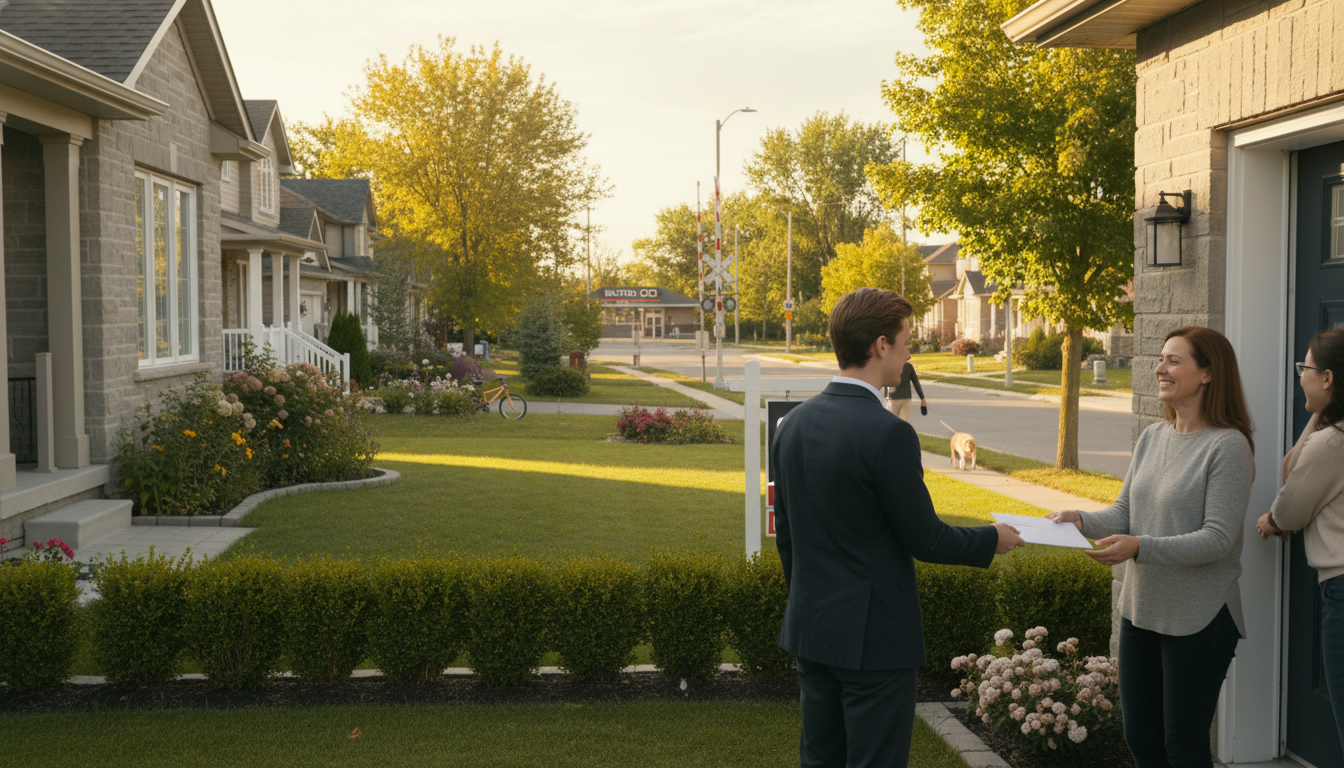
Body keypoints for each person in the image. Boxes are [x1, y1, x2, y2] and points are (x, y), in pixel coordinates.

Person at [772, 287, 1025, 768]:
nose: (910, 352)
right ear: (880, 346)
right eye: (906, 340)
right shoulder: (889, 433)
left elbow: (788, 535)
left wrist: (809, 599)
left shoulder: (793, 424)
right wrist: (992, 538)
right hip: (875, 640)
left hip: (810, 627)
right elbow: (925, 538)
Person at [1047, 326, 1255, 768]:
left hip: (1200, 617)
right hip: (1141, 610)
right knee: (1141, 739)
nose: (1160, 368)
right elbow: (1125, 511)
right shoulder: (1152, 438)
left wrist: (1140, 546)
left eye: (1174, 361)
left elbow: (1217, 539)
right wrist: (1080, 519)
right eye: (1161, 359)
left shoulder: (1228, 447)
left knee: (1183, 747)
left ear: (1208, 374)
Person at [1256, 328, 1344, 743]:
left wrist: (1272, 521)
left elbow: (1290, 499)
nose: (1300, 377)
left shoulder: (1332, 443)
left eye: (1305, 369)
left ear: (1327, 378)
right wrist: (1325, 407)